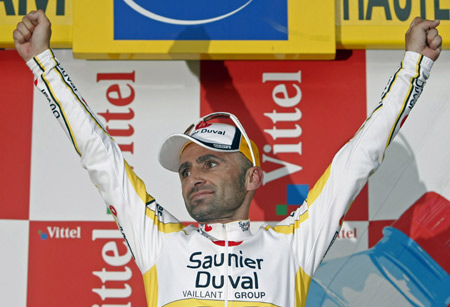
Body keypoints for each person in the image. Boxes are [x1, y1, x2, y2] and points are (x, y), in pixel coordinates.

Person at [13, 10, 442, 307]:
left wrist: (413, 67)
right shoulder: (160, 242)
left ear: (253, 177)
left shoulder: (290, 245)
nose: (193, 176)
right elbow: (99, 155)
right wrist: (43, 63)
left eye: (210, 162)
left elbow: (359, 159)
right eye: (185, 169)